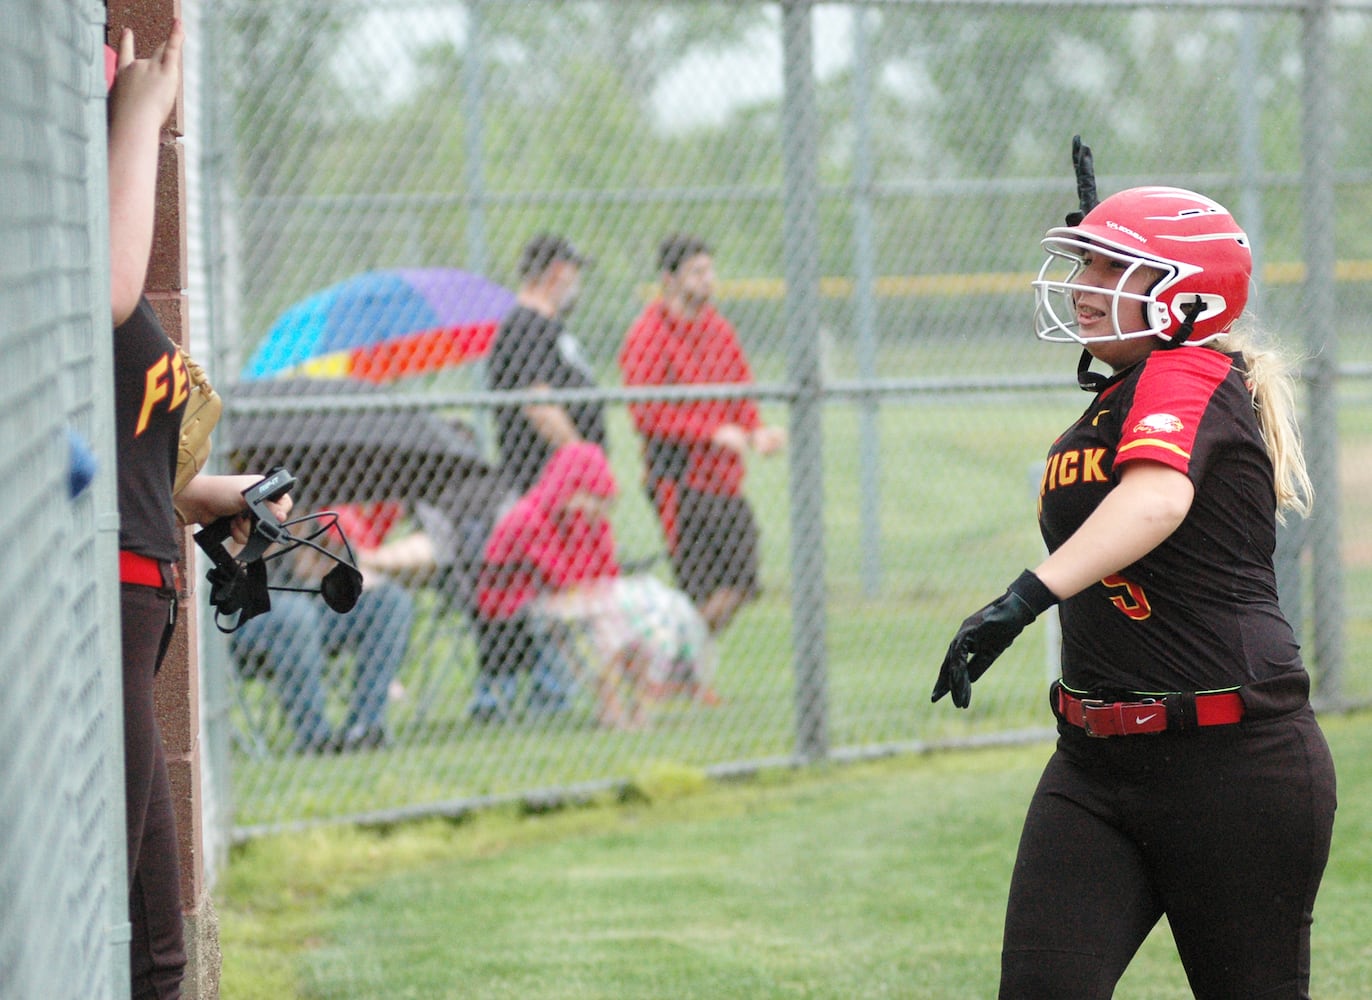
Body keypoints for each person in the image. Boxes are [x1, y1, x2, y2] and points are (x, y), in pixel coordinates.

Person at [931, 186, 1337, 998]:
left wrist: (1021, 601)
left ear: (1183, 294)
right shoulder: (1123, 394)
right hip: (1094, 761)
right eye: (1085, 261)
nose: (1083, 284)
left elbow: (1157, 499)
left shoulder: (1190, 371)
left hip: (1231, 759)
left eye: (1112, 266)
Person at [108, 23, 293, 998]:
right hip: (106, 611)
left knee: (154, 940)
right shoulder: (92, 277)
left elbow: (128, 460)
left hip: (141, 605)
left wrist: (221, 497)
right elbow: (112, 286)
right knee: (136, 937)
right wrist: (142, 116)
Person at [474, 442, 712, 728]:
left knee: (636, 615)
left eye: (604, 502)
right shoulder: (529, 517)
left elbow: (606, 571)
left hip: (581, 599)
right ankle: (611, 707)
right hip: (520, 604)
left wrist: (600, 588)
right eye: (593, 499)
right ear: (570, 490)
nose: (599, 510)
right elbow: (557, 578)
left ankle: (638, 706)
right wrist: (596, 589)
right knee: (604, 619)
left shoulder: (590, 520)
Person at [618, 234, 785, 636]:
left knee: (743, 581)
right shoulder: (649, 334)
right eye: (697, 271)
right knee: (699, 586)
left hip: (724, 478)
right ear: (669, 279)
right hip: (679, 476)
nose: (708, 279)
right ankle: (682, 669)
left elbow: (740, 389)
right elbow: (647, 414)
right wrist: (710, 433)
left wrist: (755, 430)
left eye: (710, 270)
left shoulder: (718, 329)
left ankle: (676, 657)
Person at [227, 505, 414, 753]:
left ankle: (364, 728)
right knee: (297, 613)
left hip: (307, 613)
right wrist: (269, 526)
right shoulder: (236, 492)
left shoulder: (307, 499)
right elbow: (231, 566)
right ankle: (316, 738)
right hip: (244, 620)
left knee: (389, 601)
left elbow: (311, 569)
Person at [486, 233, 606, 494]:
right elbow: (538, 403)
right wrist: (583, 463)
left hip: (565, 482)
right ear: (557, 273)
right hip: (543, 481)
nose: (577, 284)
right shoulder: (524, 326)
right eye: (575, 274)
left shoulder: (548, 327)